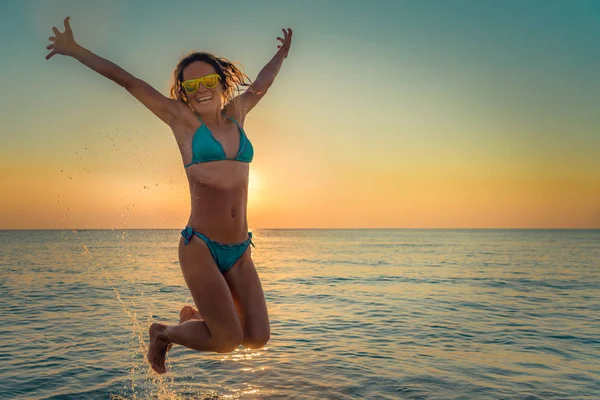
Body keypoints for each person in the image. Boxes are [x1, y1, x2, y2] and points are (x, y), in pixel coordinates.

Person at [46, 17, 292, 374]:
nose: (201, 89)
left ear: (222, 84)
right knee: (225, 340)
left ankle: (198, 317)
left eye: (208, 80)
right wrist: (75, 49)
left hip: (240, 249)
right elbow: (128, 81)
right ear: (184, 92)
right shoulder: (181, 120)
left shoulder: (238, 114)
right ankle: (163, 333)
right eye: (191, 85)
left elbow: (263, 84)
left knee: (256, 338)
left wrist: (281, 54)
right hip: (201, 246)